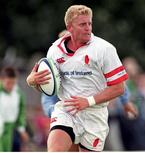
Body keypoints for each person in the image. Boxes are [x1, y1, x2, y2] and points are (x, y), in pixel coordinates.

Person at [26, 5, 128, 151]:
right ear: (70, 27)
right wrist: (32, 81)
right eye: (82, 24)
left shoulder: (104, 49)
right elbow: (50, 87)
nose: (88, 28)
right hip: (66, 110)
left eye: (89, 23)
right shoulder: (55, 50)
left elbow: (119, 88)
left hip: (94, 115)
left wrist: (88, 101)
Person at [0, 67, 29, 151]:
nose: (11, 86)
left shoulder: (18, 94)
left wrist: (22, 129)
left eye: (13, 83)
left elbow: (21, 112)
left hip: (11, 129)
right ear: (2, 80)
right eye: (8, 83)